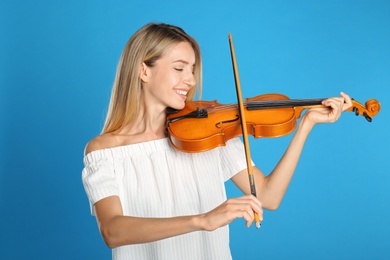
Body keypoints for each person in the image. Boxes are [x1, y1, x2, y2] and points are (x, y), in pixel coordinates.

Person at [82, 23, 352, 260]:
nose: (190, 80)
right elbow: (113, 230)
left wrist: (305, 124)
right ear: (144, 71)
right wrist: (202, 220)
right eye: (179, 68)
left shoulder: (209, 134)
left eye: (193, 69)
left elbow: (268, 197)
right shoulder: (106, 151)